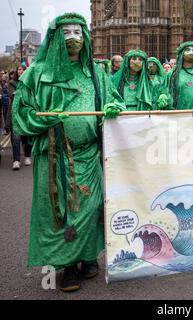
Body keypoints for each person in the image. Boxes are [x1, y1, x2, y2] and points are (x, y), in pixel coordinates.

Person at [12, 13, 125, 292]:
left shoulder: (97, 73)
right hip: (55, 158)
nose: (73, 38)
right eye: (66, 33)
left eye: (78, 32)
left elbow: (114, 103)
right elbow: (21, 114)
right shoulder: (36, 75)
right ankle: (67, 266)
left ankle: (87, 258)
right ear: (55, 38)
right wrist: (46, 119)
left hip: (89, 156)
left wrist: (113, 112)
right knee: (63, 213)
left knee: (91, 207)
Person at [7, 64, 32, 170]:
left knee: (27, 137)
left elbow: (31, 96)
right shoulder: (11, 83)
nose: (20, 71)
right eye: (18, 69)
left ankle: (27, 156)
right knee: (16, 138)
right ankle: (16, 160)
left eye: (22, 69)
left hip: (25, 113)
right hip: (15, 113)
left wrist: (21, 94)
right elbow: (13, 95)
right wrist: (23, 94)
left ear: (25, 71)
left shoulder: (29, 82)